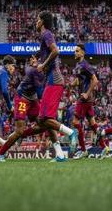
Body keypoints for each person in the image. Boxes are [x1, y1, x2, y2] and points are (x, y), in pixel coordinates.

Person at [16, 11, 78, 162]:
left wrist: (42, 64)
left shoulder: (46, 33)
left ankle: (71, 133)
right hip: (52, 80)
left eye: (37, 19)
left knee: (43, 118)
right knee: (44, 119)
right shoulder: (44, 36)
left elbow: (56, 50)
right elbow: (46, 52)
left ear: (42, 22)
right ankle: (60, 155)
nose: (35, 22)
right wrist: (39, 60)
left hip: (54, 80)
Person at [0, 55, 44, 161]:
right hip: (22, 98)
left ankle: (22, 135)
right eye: (30, 59)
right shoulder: (30, 69)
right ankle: (0, 153)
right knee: (19, 130)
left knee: (44, 124)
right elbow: (40, 93)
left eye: (34, 59)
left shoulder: (42, 69)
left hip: (33, 99)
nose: (31, 60)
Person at [72, 44, 99, 159]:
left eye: (77, 51)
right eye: (75, 51)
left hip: (84, 98)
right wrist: (72, 84)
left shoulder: (85, 65)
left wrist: (87, 93)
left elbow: (95, 80)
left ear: (83, 52)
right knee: (92, 123)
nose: (75, 53)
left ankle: (83, 150)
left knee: (75, 122)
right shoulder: (78, 65)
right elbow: (81, 79)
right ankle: (104, 147)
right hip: (85, 98)